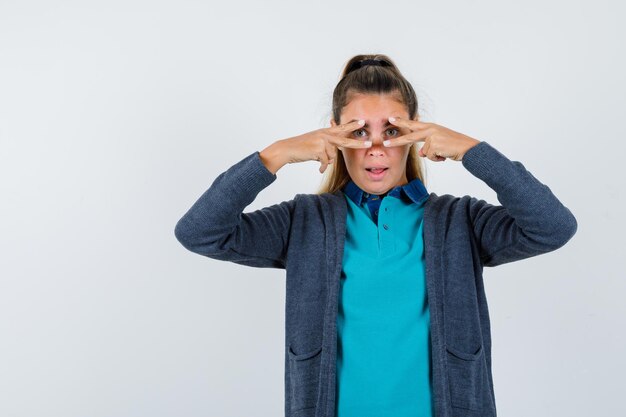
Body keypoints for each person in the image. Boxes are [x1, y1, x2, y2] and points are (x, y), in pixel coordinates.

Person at [174, 54, 578, 417]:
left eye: (391, 130)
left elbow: (552, 227)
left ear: (416, 133)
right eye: (359, 132)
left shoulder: (459, 220)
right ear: (334, 135)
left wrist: (473, 151)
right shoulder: (305, 221)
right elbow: (200, 232)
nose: (376, 148)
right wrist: (275, 155)